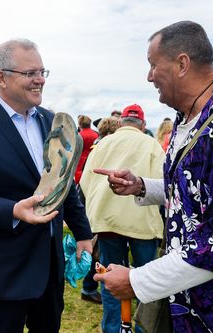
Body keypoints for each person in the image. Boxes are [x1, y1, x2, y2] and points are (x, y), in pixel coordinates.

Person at [93, 21, 213, 332]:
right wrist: (142, 186)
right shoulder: (193, 115)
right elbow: (201, 192)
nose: (149, 76)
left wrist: (136, 280)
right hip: (190, 302)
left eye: (153, 65)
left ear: (182, 63)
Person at [0, 38, 93, 333]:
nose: (39, 80)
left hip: (49, 270)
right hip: (2, 273)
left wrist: (83, 232)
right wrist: (12, 210)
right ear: (2, 77)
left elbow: (64, 184)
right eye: (30, 73)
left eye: (42, 72)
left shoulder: (52, 121)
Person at [80, 103, 165, 333]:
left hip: (108, 222)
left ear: (122, 122)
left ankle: (112, 329)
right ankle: (141, 329)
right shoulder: (152, 145)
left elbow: (86, 182)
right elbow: (164, 183)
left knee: (110, 280)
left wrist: (100, 207)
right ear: (143, 124)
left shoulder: (103, 143)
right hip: (143, 224)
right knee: (146, 281)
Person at [80, 116, 121, 305]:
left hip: (93, 201)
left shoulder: (98, 144)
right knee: (97, 250)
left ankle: (88, 286)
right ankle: (89, 287)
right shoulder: (107, 147)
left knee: (96, 248)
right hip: (102, 205)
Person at [75, 115, 99, 184]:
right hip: (93, 159)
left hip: (80, 161)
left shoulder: (79, 135)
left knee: (80, 181)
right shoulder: (96, 134)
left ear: (80, 124)